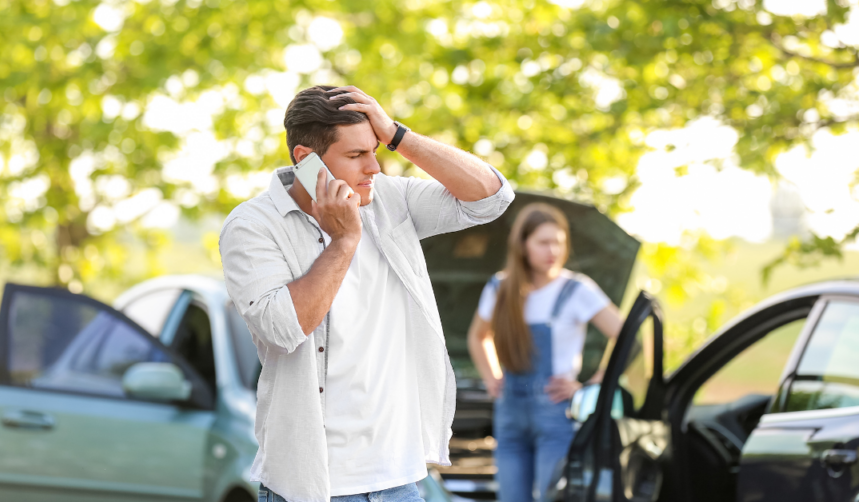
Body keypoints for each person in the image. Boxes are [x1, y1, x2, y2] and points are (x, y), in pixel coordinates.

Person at [219, 85, 514, 502]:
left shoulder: (390, 199)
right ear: (306, 160)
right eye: (357, 155)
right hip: (314, 487)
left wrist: (397, 134)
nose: (374, 166)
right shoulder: (253, 225)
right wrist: (343, 243)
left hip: (401, 481)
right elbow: (285, 328)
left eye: (376, 150)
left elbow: (492, 198)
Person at [466, 203, 623, 502]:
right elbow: (478, 336)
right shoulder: (500, 287)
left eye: (559, 243)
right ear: (523, 245)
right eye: (543, 242)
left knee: (553, 497)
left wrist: (592, 385)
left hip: (557, 417)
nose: (553, 250)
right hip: (509, 415)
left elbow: (628, 339)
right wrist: (492, 377)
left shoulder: (577, 290)